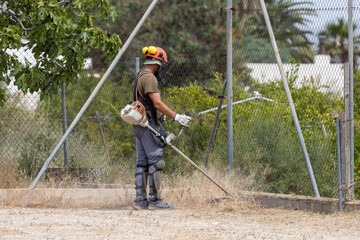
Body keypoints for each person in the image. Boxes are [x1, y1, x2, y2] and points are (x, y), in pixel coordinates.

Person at [132, 46, 191, 210]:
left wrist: (160, 115)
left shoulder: (139, 75)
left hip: (139, 124)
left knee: (141, 164)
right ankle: (155, 200)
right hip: (148, 125)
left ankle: (140, 200)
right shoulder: (150, 78)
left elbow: (146, 103)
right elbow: (157, 103)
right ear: (157, 63)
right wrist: (176, 116)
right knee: (156, 161)